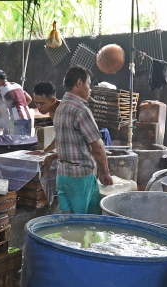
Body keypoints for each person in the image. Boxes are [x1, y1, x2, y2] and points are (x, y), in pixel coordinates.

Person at [53, 66, 113, 215]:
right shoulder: (80, 109)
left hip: (62, 176)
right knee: (86, 224)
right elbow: (97, 147)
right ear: (79, 83)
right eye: (89, 84)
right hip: (80, 178)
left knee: (68, 223)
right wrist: (105, 172)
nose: (90, 89)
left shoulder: (60, 108)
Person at [27, 81, 61, 172]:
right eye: (36, 103)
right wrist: (45, 151)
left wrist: (53, 156)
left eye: (42, 104)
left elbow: (71, 141)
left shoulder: (63, 111)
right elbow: (60, 136)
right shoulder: (52, 112)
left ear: (53, 100)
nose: (38, 107)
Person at [0, 69, 33, 135]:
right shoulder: (17, 85)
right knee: (26, 142)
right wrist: (21, 107)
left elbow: (4, 112)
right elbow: (29, 99)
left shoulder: (1, 90)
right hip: (28, 118)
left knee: (14, 142)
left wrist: (6, 128)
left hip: (16, 120)